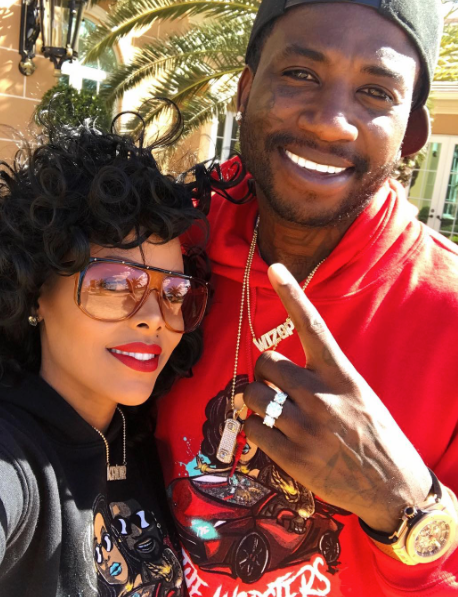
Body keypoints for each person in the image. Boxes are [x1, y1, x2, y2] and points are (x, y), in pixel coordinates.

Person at [154, 1, 458, 595]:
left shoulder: (448, 312)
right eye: (300, 74)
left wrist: (401, 503)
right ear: (245, 90)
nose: (330, 123)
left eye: (376, 92)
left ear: (412, 133)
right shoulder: (163, 252)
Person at [0, 105, 221, 596]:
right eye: (114, 284)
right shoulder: (1, 454)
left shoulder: (139, 437)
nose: (154, 316)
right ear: (35, 292)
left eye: (175, 292)